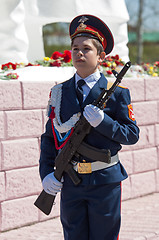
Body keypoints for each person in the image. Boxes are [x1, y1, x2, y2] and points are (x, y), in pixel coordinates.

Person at [39, 14, 139, 240]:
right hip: (71, 181)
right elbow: (49, 138)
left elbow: (132, 134)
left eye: (86, 49)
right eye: (75, 49)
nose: (79, 53)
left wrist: (103, 122)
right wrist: (46, 174)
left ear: (101, 55)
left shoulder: (117, 92)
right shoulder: (60, 92)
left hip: (104, 181)